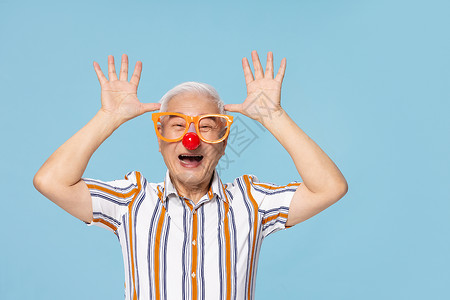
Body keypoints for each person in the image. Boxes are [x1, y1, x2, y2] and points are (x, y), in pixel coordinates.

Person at [34, 51, 348, 300]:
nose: (191, 138)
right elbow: (51, 181)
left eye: (206, 126)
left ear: (223, 143)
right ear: (160, 140)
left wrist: (274, 116)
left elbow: (329, 188)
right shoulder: (131, 201)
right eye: (179, 125)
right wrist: (108, 118)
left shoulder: (252, 202)